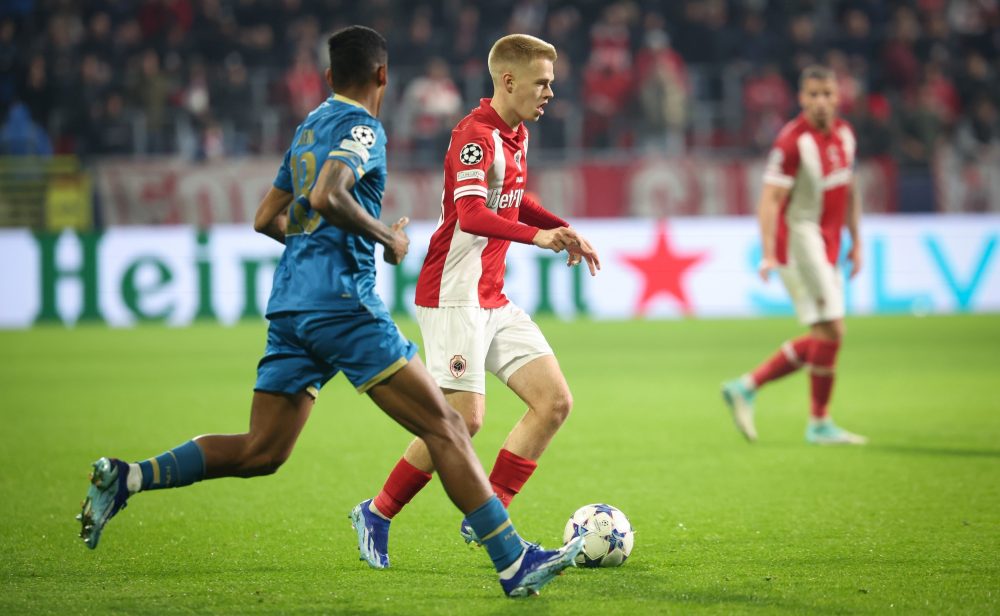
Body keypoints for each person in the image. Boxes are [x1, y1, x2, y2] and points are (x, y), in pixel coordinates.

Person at [78, 25, 583, 598]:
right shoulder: (364, 128)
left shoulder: (309, 127)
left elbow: (267, 217)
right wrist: (382, 241)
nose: (547, 92)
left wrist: (317, 245)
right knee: (448, 424)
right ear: (383, 76)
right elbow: (327, 195)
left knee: (260, 450)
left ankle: (130, 476)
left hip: (292, 305)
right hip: (344, 305)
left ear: (327, 77)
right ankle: (511, 561)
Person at [350, 33, 600, 569]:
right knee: (463, 420)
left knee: (554, 402)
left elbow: (512, 198)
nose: (551, 92)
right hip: (452, 294)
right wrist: (538, 239)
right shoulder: (475, 135)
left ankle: (491, 513)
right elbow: (469, 214)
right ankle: (376, 511)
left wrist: (562, 227)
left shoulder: (517, 134)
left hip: (491, 295)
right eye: (543, 83)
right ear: (508, 81)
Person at [721, 65, 867, 446]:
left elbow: (850, 192)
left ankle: (746, 386)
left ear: (838, 96)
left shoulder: (846, 135)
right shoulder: (791, 142)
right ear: (801, 98)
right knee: (833, 330)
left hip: (829, 245)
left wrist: (858, 241)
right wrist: (768, 252)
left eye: (827, 94)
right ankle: (818, 422)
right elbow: (769, 200)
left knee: (824, 333)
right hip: (798, 243)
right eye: (813, 95)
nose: (821, 102)